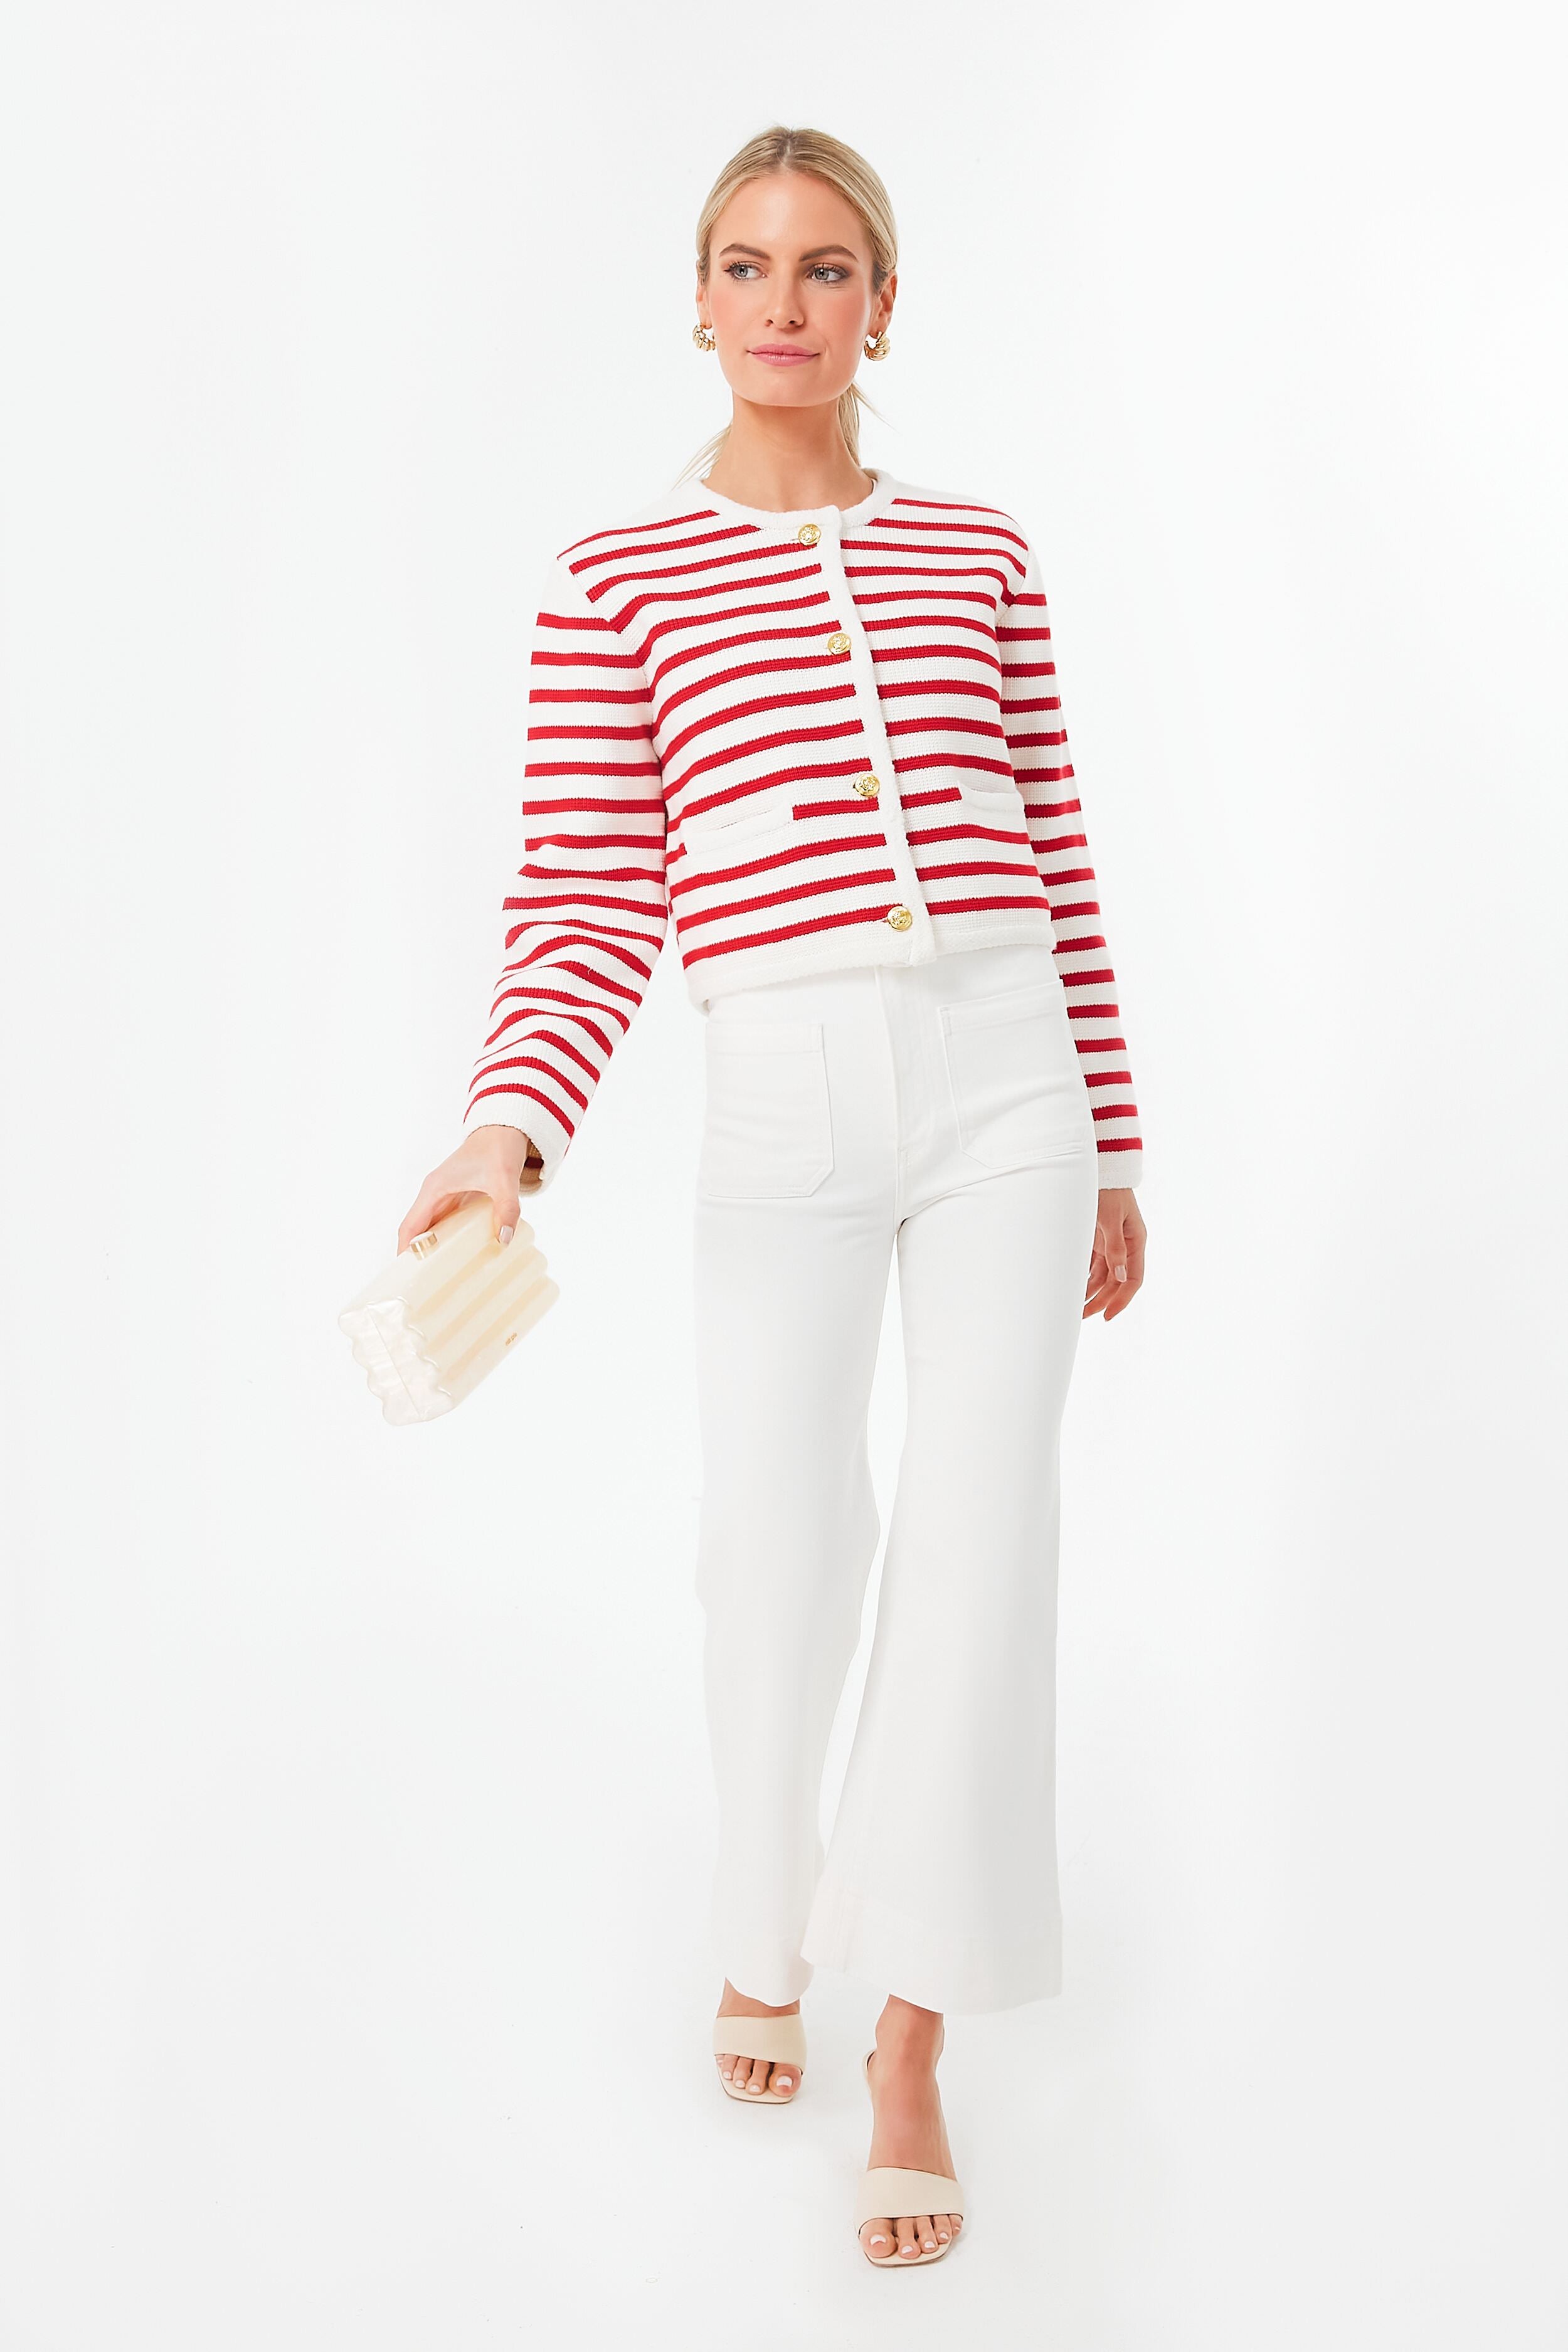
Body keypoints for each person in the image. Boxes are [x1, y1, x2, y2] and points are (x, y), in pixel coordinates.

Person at [398, 123, 1147, 2269]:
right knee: (776, 1539)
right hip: (780, 1086)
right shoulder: (615, 580)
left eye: (827, 268)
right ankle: (762, 1927)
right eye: (747, 264)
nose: (786, 304)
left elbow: (1056, 848)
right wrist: (507, 1128)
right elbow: (581, 895)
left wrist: (1113, 1139)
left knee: (983, 1544)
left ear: (882, 305)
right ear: (699, 299)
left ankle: (909, 2033)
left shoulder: (979, 549)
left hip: (1007, 1081)